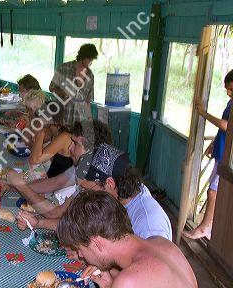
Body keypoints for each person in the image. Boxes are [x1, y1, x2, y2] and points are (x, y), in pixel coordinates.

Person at [15, 143, 172, 242]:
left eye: (86, 189)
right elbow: (83, 225)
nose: (84, 194)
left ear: (109, 183)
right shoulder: (118, 197)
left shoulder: (148, 224)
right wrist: (39, 223)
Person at [57, 192, 197, 288]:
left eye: (80, 250)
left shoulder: (128, 282)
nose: (81, 255)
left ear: (96, 243)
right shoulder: (162, 243)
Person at [184, 70, 233, 240]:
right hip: (221, 152)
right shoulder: (230, 103)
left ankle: (205, 228)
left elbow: (226, 126)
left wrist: (202, 113)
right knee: (214, 191)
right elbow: (223, 131)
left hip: (228, 157)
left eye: (231, 89)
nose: (228, 93)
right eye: (227, 89)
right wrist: (214, 144)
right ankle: (208, 227)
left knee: (213, 192)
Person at [49, 43, 98, 126]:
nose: (91, 62)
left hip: (80, 121)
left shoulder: (90, 75)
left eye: (92, 60)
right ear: (82, 56)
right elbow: (51, 87)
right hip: (62, 117)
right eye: (89, 59)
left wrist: (89, 121)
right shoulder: (64, 68)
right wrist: (62, 93)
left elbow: (87, 102)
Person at [29, 102, 74, 178]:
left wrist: (41, 133)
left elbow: (34, 160)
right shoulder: (54, 132)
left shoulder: (65, 137)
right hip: (53, 179)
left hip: (60, 186)